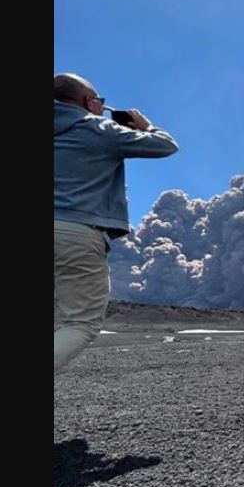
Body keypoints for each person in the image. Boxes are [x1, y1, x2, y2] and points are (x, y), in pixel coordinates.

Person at [54, 73, 179, 371]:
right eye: (100, 102)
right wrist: (143, 124)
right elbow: (165, 145)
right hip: (76, 233)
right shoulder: (98, 128)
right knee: (80, 324)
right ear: (88, 102)